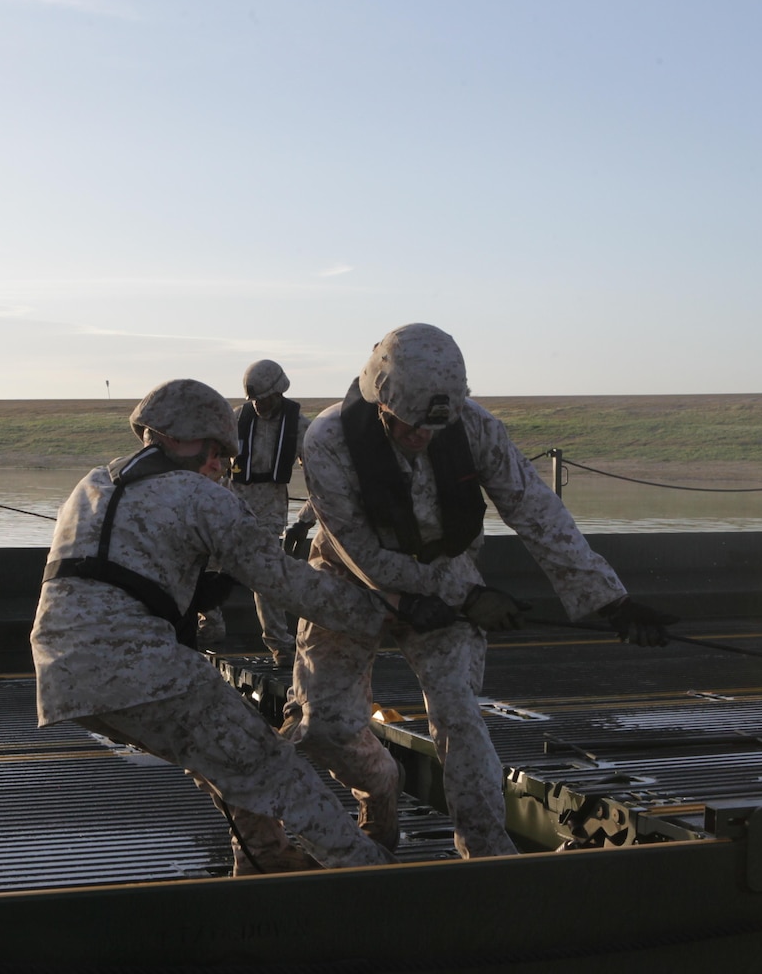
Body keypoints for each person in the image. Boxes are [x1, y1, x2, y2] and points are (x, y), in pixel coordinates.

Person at [30, 378, 452, 874]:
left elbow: (113, 569)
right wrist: (391, 610)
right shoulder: (202, 497)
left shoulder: (92, 485)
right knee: (277, 770)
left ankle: (267, 861)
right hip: (141, 668)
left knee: (223, 760)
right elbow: (291, 586)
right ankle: (369, 873)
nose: (217, 467)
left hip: (60, 675)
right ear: (186, 438)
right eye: (215, 454)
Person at [285, 323, 676, 858]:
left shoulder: (476, 429)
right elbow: (361, 552)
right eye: (410, 426)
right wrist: (464, 597)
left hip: (450, 577)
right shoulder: (327, 440)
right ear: (380, 398)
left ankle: (485, 854)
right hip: (349, 584)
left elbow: (536, 510)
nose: (422, 438)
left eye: (433, 427)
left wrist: (611, 600)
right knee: (324, 726)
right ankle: (380, 790)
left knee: (460, 718)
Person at [230, 359, 317, 667]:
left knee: (264, 574)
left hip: (268, 510)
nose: (259, 405)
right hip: (229, 503)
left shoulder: (302, 429)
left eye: (263, 398)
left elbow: (321, 484)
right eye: (253, 399)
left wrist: (304, 521)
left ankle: (281, 647)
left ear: (279, 391)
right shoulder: (235, 419)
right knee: (204, 563)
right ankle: (207, 628)